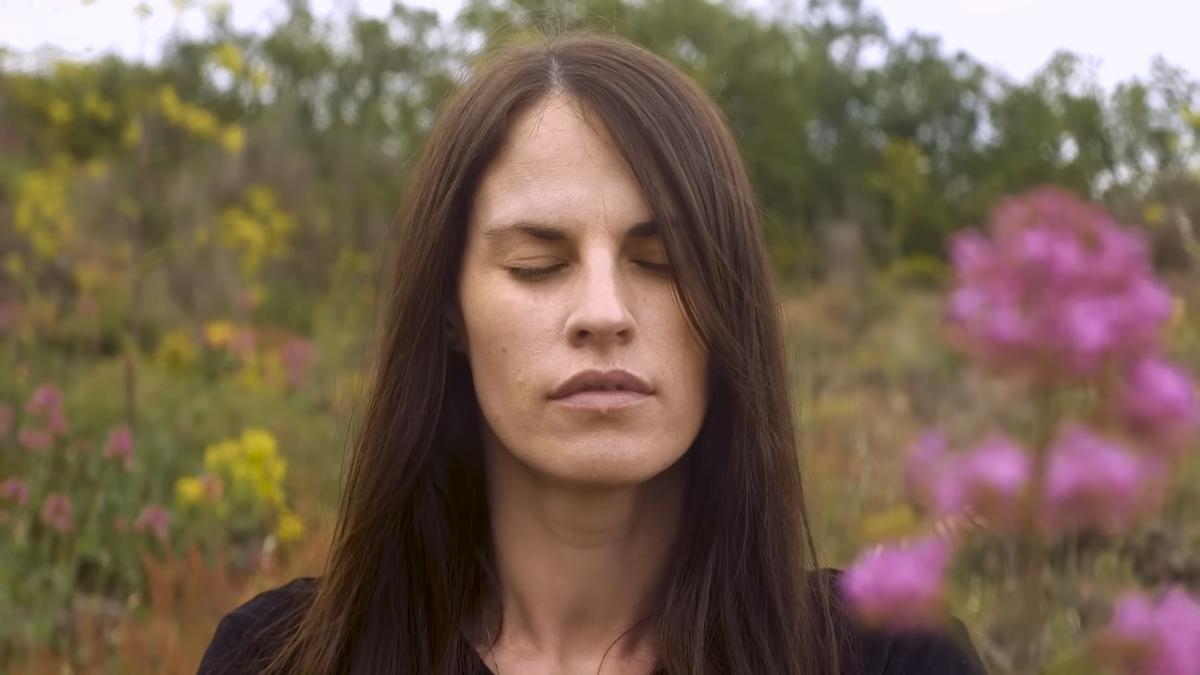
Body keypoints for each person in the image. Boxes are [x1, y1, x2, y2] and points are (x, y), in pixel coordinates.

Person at [198, 31, 985, 675]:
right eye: (538, 265)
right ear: (448, 310)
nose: (603, 314)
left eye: (661, 261)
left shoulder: (891, 658)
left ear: (730, 303)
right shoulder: (276, 656)